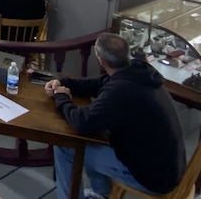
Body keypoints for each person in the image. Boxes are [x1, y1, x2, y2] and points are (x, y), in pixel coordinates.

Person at [46, 33, 185, 199]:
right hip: (168, 166)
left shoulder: (121, 91)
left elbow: (82, 122)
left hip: (153, 178)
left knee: (66, 145)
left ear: (100, 60)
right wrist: (63, 84)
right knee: (93, 136)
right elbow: (97, 84)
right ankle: (101, 193)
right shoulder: (136, 70)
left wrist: (62, 98)